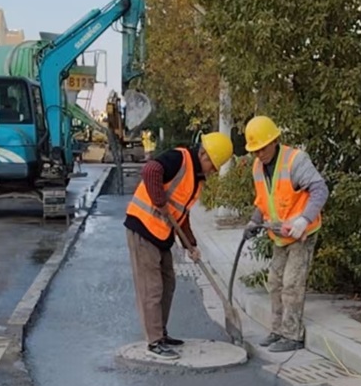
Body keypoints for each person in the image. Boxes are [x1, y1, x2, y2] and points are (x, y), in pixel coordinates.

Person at [125, 132, 234, 360]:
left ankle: (161, 334)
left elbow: (181, 214)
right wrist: (160, 201)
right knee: (151, 288)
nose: (213, 171)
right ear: (203, 154)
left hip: (162, 233)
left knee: (168, 283)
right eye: (213, 166)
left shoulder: (197, 179)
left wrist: (191, 244)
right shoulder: (179, 158)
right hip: (143, 226)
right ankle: (154, 341)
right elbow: (150, 171)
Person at [244, 116, 328, 353]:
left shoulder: (295, 160)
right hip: (279, 235)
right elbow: (264, 200)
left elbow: (320, 189)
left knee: (292, 283)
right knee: (275, 282)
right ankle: (278, 330)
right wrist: (254, 221)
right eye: (255, 150)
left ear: (274, 141)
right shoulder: (258, 167)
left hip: (302, 234)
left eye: (262, 148)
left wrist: (304, 220)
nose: (259, 154)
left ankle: (292, 335)